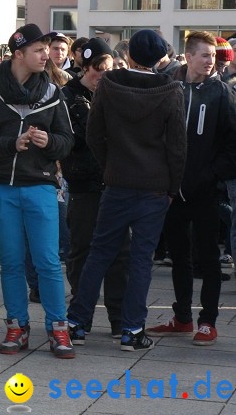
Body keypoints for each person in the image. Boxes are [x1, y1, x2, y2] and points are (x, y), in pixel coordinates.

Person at [67, 29, 187, 352]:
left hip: (117, 182)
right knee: (140, 259)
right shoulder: (171, 89)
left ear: (130, 55)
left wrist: (110, 166)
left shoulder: (109, 84)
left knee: (99, 252)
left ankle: (77, 322)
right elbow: (177, 146)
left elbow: (94, 135)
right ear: (160, 58)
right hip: (155, 187)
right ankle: (132, 330)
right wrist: (172, 186)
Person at [0, 23, 75, 359]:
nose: (47, 55)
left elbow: (67, 141)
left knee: (47, 262)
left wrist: (49, 142)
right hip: (1, 187)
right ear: (19, 54)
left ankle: (59, 328)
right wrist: (11, 144)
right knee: (12, 262)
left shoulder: (52, 91)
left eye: (47, 49)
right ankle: (16, 325)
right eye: (39, 50)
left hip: (41, 186)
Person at [146, 31, 236, 346]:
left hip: (205, 190)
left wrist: (212, 175)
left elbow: (232, 143)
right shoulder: (169, 88)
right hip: (171, 189)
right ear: (188, 56)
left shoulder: (222, 93)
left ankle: (208, 321)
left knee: (208, 256)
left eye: (213, 56)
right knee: (179, 255)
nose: (210, 61)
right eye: (204, 55)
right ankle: (182, 317)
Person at [59, 38, 126, 340]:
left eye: (109, 68)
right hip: (84, 184)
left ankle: (118, 318)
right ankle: (80, 318)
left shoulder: (116, 94)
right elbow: (81, 138)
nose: (103, 74)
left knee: (120, 253)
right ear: (84, 67)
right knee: (82, 252)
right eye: (98, 68)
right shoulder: (68, 96)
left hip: (115, 184)